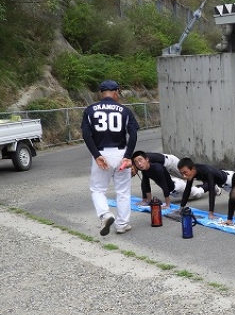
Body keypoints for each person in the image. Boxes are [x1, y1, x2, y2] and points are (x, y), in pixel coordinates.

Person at [81, 79, 139, 236]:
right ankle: (122, 224)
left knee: (97, 189)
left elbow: (86, 135)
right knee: (123, 191)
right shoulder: (124, 111)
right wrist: (128, 156)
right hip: (121, 154)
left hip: (101, 154)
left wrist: (96, 155)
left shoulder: (90, 110)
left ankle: (105, 214)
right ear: (116, 92)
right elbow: (133, 134)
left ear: (101, 92)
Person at [131, 151, 207, 207]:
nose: (133, 175)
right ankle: (205, 183)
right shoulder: (140, 164)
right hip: (168, 173)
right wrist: (146, 200)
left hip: (171, 162)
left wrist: (167, 204)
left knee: (190, 174)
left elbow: (163, 183)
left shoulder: (144, 162)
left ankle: (208, 177)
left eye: (132, 172)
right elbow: (145, 182)